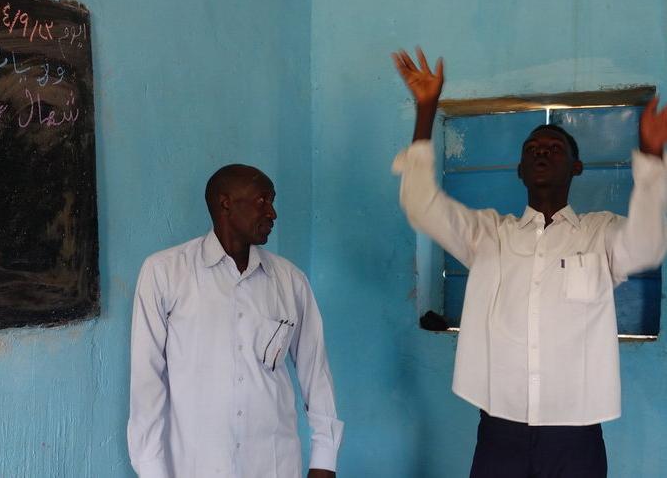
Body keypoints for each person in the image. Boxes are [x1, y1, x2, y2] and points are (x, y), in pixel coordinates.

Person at [391, 47, 667, 478]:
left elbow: (648, 245)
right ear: (519, 169)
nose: (542, 152)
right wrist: (426, 111)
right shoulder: (488, 236)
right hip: (500, 432)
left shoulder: (600, 235)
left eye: (555, 147)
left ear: (576, 167)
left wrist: (651, 158)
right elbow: (421, 204)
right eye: (532, 148)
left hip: (576, 435)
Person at [127, 164, 343, 478]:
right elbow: (147, 384)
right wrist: (151, 470)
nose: (272, 213)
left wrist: (324, 461)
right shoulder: (164, 273)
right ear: (225, 203)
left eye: (272, 201)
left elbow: (316, 375)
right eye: (262, 201)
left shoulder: (290, 281)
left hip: (274, 465)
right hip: (194, 468)